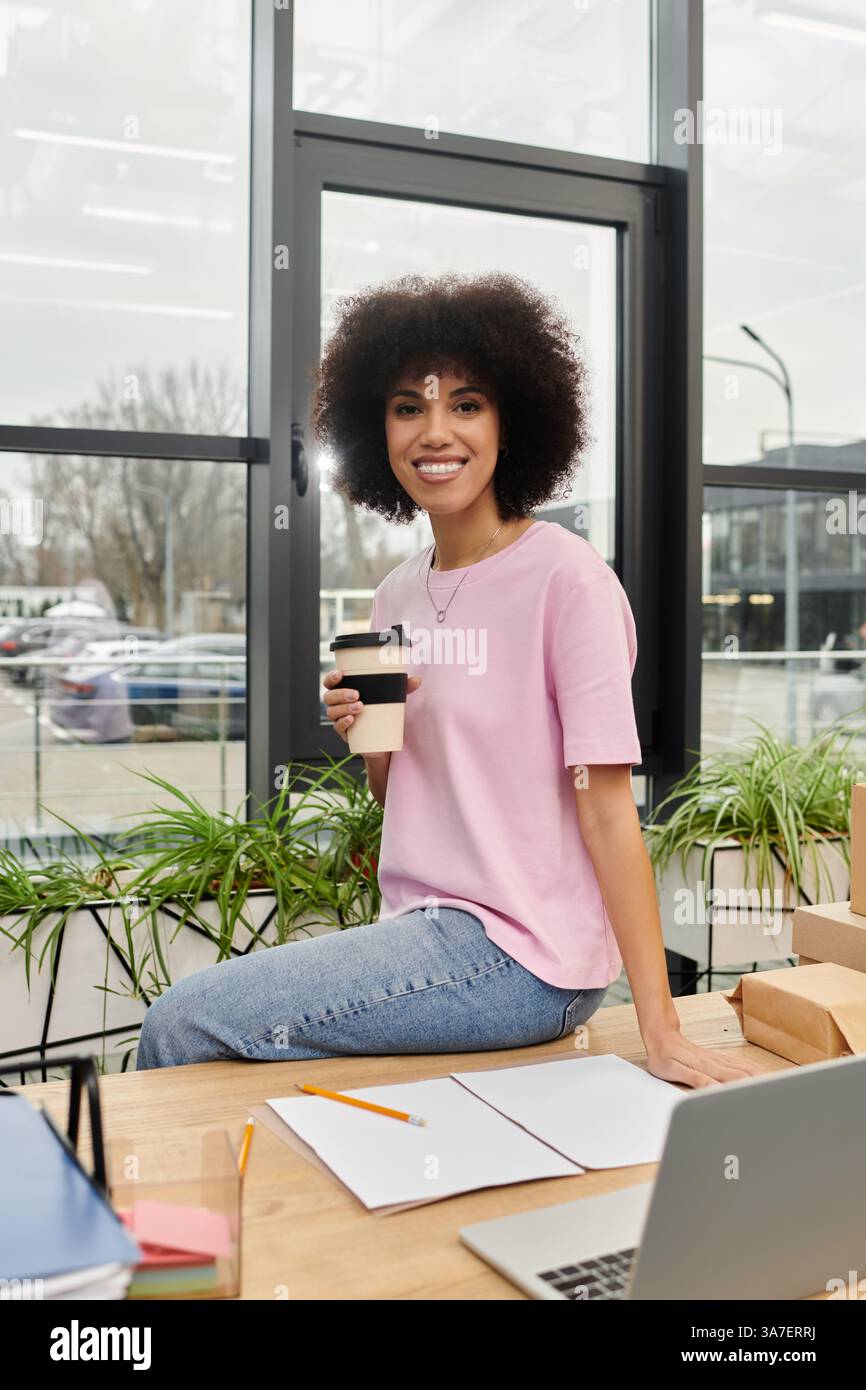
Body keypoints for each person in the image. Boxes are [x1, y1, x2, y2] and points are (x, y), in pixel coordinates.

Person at [137, 271, 760, 1090]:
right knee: (221, 1048)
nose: (436, 432)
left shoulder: (566, 581)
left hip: (522, 958)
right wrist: (368, 730)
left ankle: (153, 1223)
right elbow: (400, 800)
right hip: (422, 930)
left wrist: (661, 1029)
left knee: (180, 1021)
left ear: (513, 422)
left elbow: (610, 812)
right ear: (376, 431)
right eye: (408, 407)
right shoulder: (394, 594)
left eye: (465, 404)